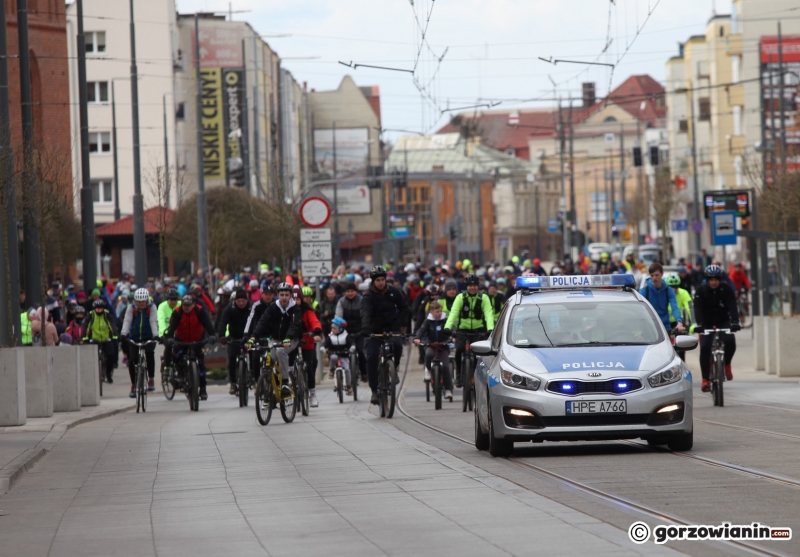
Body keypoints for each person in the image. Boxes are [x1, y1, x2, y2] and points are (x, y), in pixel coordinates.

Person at [361, 266, 409, 405]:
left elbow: (404, 308)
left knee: (398, 345)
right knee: (371, 357)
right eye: (378, 280)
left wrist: (400, 324)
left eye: (383, 279)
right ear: (373, 281)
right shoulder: (368, 296)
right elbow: (365, 313)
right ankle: (374, 391)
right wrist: (366, 328)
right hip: (373, 331)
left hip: (392, 328)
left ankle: (394, 369)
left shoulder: (395, 292)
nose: (381, 283)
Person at [250, 282, 303, 398]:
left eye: (286, 295)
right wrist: (253, 337)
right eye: (282, 295)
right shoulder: (273, 307)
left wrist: (288, 338)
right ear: (278, 295)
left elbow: (294, 325)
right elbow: (263, 322)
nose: (284, 297)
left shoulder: (295, 308)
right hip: (275, 339)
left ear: (290, 296)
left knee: (281, 352)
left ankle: (285, 383)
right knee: (269, 359)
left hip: (291, 339)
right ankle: (269, 387)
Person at [693, 265, 740, 392]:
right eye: (711, 279)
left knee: (730, 342)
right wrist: (700, 324)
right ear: (707, 280)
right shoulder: (701, 291)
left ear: (720, 279)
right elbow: (697, 309)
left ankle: (727, 364)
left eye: (716, 279)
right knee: (705, 347)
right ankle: (705, 379)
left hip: (723, 321)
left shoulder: (726, 289)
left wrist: (735, 322)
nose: (713, 282)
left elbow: (732, 306)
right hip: (706, 323)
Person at [444, 274, 495, 388]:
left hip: (478, 330)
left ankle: (480, 376)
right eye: (470, 286)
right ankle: (458, 374)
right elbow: (453, 313)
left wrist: (490, 328)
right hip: (463, 330)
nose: (472, 288)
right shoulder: (460, 297)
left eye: (474, 285)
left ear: (478, 286)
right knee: (459, 350)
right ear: (466, 287)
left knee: (480, 356)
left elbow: (488, 314)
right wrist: (447, 327)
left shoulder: (484, 298)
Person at [165, 295, 217, 401]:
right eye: (184, 305)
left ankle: (202, 388)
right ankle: (181, 374)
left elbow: (207, 324)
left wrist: (212, 335)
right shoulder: (177, 312)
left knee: (201, 364)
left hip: (197, 340)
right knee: (176, 356)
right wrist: (170, 337)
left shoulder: (200, 311)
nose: (186, 307)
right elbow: (172, 327)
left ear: (193, 305)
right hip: (181, 340)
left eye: (189, 305)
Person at [120, 288, 159, 397]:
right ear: (135, 301)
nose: (141, 304)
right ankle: (133, 385)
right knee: (132, 361)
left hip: (149, 336)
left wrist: (155, 335)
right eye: (139, 301)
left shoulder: (151, 307)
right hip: (134, 337)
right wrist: (123, 334)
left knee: (149, 353)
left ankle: (151, 379)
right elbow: (127, 321)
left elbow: (153, 321)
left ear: (147, 300)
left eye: (143, 301)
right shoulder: (131, 308)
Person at [414, 301, 453, 401]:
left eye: (440, 311)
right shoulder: (428, 321)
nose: (439, 313)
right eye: (437, 311)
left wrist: (453, 337)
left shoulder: (445, 321)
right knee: (428, 354)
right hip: (430, 345)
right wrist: (418, 338)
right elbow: (421, 330)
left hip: (442, 346)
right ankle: (428, 370)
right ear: (431, 312)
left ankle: (448, 389)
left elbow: (451, 330)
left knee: (446, 366)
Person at [217, 289, 253, 395]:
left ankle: (254, 377)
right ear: (235, 301)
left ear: (246, 300)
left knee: (254, 356)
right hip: (234, 337)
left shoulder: (252, 308)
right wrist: (222, 336)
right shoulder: (229, 309)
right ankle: (233, 383)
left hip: (250, 337)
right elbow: (223, 322)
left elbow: (258, 321)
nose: (241, 303)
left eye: (243, 301)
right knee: (232, 357)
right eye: (238, 301)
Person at [639, 263, 685, 334]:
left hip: (665, 327)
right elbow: (638, 309)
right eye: (652, 275)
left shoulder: (668, 290)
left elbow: (674, 307)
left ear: (662, 274)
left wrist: (679, 322)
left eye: (657, 275)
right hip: (649, 327)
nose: (654, 278)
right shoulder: (645, 291)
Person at [336, 282, 367, 382]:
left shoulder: (361, 301)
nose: (350, 293)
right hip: (346, 332)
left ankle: (364, 372)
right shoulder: (341, 301)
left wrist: (365, 327)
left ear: (356, 292)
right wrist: (336, 328)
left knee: (361, 352)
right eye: (348, 291)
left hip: (359, 331)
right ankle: (343, 372)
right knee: (342, 352)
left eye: (352, 291)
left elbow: (364, 316)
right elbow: (338, 316)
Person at [82, 299, 118, 383]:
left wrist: (115, 335)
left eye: (101, 308)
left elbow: (112, 325)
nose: (99, 310)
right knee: (92, 358)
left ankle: (108, 373)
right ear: (94, 308)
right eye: (97, 308)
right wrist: (85, 337)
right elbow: (86, 327)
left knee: (111, 356)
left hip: (106, 339)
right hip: (95, 339)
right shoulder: (91, 316)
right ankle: (93, 374)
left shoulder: (107, 315)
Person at [299, 287, 323, 407]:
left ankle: (312, 394)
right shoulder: (288, 310)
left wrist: (317, 331)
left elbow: (315, 321)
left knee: (309, 366)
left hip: (307, 341)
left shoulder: (309, 310)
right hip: (291, 342)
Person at [322, 317, 355, 395]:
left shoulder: (346, 336)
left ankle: (348, 385)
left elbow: (351, 343)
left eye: (334, 329)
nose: (332, 330)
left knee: (347, 369)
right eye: (332, 328)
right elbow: (325, 343)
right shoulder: (330, 336)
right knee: (333, 358)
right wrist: (323, 347)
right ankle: (331, 369)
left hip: (344, 355)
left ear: (340, 329)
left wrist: (352, 347)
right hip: (334, 353)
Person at [665, 274, 694, 361]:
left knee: (682, 345)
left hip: (678, 322)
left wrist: (694, 322)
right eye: (671, 287)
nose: (674, 289)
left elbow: (690, 307)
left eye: (676, 287)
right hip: (664, 322)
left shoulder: (683, 293)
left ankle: (682, 362)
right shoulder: (663, 293)